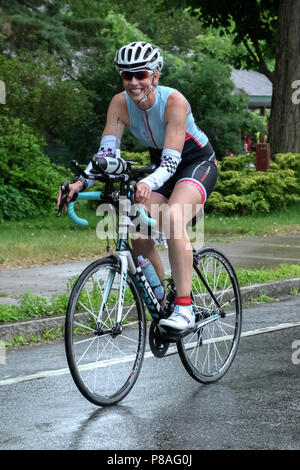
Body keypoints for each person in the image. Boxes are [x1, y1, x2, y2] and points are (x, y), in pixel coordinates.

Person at [57, 41, 218, 331]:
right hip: (161, 168)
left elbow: (171, 164)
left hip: (195, 164)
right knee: (137, 229)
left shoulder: (174, 102)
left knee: (172, 217)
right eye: (126, 76)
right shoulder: (119, 104)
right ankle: (162, 303)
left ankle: (185, 308)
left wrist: (145, 182)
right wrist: (79, 183)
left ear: (155, 75)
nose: (133, 82)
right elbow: (107, 157)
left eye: (140, 74)